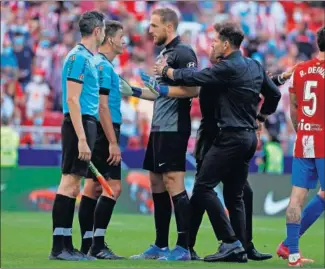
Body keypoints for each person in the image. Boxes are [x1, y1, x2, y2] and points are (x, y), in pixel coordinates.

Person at [154, 22, 281, 262]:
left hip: (225, 137)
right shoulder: (253, 65)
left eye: (214, 41)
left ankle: (231, 243)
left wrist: (167, 72)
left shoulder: (224, 69)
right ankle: (236, 246)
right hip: (245, 137)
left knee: (203, 188)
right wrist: (261, 117)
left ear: (225, 44)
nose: (211, 44)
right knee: (236, 194)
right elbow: (274, 93)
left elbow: (194, 76)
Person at [130, 7, 199, 261]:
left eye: (154, 25)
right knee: (156, 183)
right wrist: (134, 91)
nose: (150, 30)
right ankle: (160, 245)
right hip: (158, 127)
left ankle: (183, 247)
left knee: (173, 183)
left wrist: (162, 88)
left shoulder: (183, 53)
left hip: (175, 127)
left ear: (169, 27)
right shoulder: (165, 53)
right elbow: (158, 91)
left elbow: (193, 90)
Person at [49, 11, 106, 261]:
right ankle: (58, 247)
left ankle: (66, 245)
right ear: (97, 31)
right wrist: (82, 137)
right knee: (69, 183)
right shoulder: (78, 58)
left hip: (85, 122)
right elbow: (72, 98)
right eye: (103, 30)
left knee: (74, 186)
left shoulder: (85, 58)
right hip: (78, 123)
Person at [276, 26, 324, 267]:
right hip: (324, 141)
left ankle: (291, 252)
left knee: (296, 198)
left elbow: (293, 106)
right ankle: (287, 245)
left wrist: (301, 129)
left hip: (304, 138)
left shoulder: (300, 70)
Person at [78, 20, 125, 260]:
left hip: (93, 129)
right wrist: (113, 142)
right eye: (121, 37)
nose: (124, 42)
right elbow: (104, 107)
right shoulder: (105, 67)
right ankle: (98, 244)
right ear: (110, 39)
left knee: (92, 187)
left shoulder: (94, 63)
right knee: (113, 187)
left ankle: (87, 243)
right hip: (106, 130)